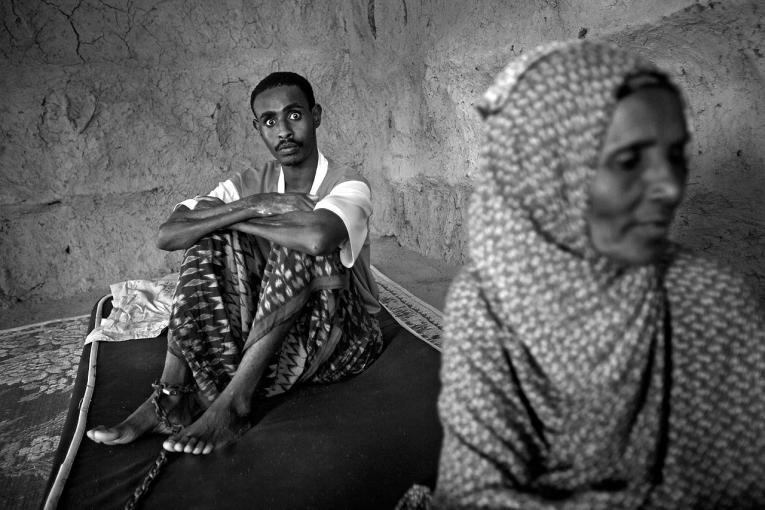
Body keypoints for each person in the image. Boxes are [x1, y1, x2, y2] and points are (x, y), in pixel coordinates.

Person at [432, 40, 765, 508]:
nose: (670, 186)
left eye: (676, 155)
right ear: (546, 170)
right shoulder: (488, 302)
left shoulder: (709, 296)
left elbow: (742, 488)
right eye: (628, 161)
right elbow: (473, 494)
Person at [86, 71, 384, 455]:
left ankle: (235, 404)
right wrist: (255, 205)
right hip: (274, 334)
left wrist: (238, 216)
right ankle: (170, 398)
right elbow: (170, 234)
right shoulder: (250, 183)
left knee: (300, 242)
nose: (284, 131)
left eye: (294, 115)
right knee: (206, 238)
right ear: (258, 128)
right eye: (270, 121)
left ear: (316, 115)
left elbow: (317, 238)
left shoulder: (348, 183)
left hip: (342, 338)